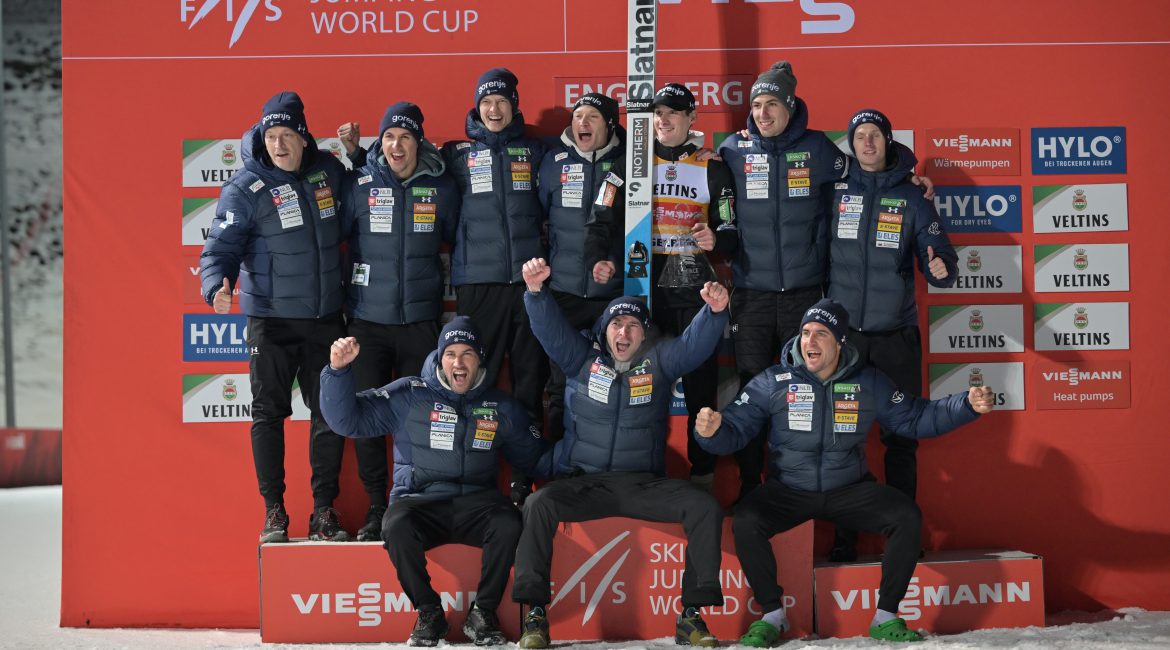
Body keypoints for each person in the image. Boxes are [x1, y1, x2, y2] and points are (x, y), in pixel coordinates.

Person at [694, 299, 995, 645]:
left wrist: (966, 405)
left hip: (848, 488)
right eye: (805, 333)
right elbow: (735, 428)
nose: (810, 341)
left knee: (906, 516)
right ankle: (772, 615)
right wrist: (711, 432)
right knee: (747, 520)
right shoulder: (773, 381)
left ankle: (885, 617)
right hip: (788, 488)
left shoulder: (868, 381)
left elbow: (915, 418)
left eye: (821, 334)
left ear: (839, 343)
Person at [511, 257, 729, 649]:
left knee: (704, 506)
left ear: (644, 334)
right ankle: (535, 614)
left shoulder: (659, 362)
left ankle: (692, 615)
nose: (623, 332)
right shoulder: (581, 360)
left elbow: (693, 346)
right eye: (616, 324)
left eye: (632, 325)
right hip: (585, 483)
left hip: (642, 483)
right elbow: (550, 330)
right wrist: (536, 292)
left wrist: (713, 313)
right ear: (604, 330)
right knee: (538, 503)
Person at [319, 317, 550, 647]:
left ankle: (483, 613)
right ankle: (429, 612)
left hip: (478, 503)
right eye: (451, 354)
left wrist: (576, 463)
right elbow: (348, 421)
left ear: (480, 360)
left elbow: (534, 457)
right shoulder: (409, 394)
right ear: (440, 359)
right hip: (419, 501)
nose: (459, 362)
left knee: (509, 522)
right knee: (395, 525)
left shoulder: (500, 406)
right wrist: (338, 371)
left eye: (467, 354)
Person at [200, 91, 350, 543]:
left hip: (325, 317)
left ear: (303, 137)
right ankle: (274, 512)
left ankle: (324, 511)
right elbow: (219, 249)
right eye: (271, 136)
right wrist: (216, 285)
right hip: (272, 321)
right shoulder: (244, 187)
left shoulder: (329, 172)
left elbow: (364, 201)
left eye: (286, 135)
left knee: (329, 413)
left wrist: (360, 155)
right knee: (268, 414)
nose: (278, 144)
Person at [824, 108, 960, 561]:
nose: (867, 143)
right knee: (841, 440)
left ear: (887, 142)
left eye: (875, 136)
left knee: (901, 440)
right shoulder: (834, 190)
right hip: (844, 342)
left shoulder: (913, 197)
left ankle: (903, 538)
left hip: (896, 338)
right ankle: (843, 540)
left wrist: (941, 269)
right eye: (859, 136)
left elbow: (939, 252)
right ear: (851, 143)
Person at [716, 61, 849, 501]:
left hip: (804, 295)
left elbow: (866, 178)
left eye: (772, 104)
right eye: (757, 105)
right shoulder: (733, 150)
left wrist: (912, 181)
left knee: (804, 393)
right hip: (751, 294)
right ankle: (750, 488)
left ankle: (798, 488)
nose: (763, 113)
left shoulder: (818, 149)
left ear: (790, 107)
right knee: (752, 391)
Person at [338, 101, 460, 541]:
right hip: (367, 324)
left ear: (418, 143)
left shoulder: (442, 188)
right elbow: (333, 237)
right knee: (369, 418)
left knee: (420, 419)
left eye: (405, 137)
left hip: (420, 323)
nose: (396, 145)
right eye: (389, 136)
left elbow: (456, 239)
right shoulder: (359, 184)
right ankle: (376, 507)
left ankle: (413, 503)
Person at [513, 92, 626, 502]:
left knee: (614, 387)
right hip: (562, 294)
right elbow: (541, 216)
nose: (583, 123)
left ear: (609, 124)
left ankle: (613, 472)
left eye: (592, 116)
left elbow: (640, 224)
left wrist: (615, 264)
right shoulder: (554, 163)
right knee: (561, 388)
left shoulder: (629, 162)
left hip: (612, 299)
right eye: (578, 115)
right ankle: (561, 472)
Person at [440, 68, 549, 428]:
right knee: (474, 377)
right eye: (486, 102)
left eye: (501, 101)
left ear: (514, 106)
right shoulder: (456, 156)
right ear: (477, 107)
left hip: (528, 281)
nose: (494, 109)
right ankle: (476, 454)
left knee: (530, 375)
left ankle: (527, 456)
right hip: (479, 283)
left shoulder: (536, 151)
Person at [644, 82, 738, 490]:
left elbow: (731, 227)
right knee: (644, 389)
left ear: (691, 118)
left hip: (693, 290)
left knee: (700, 387)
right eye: (657, 113)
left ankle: (702, 474)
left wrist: (717, 239)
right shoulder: (634, 163)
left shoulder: (711, 166)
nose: (663, 120)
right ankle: (645, 471)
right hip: (644, 290)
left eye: (672, 112)